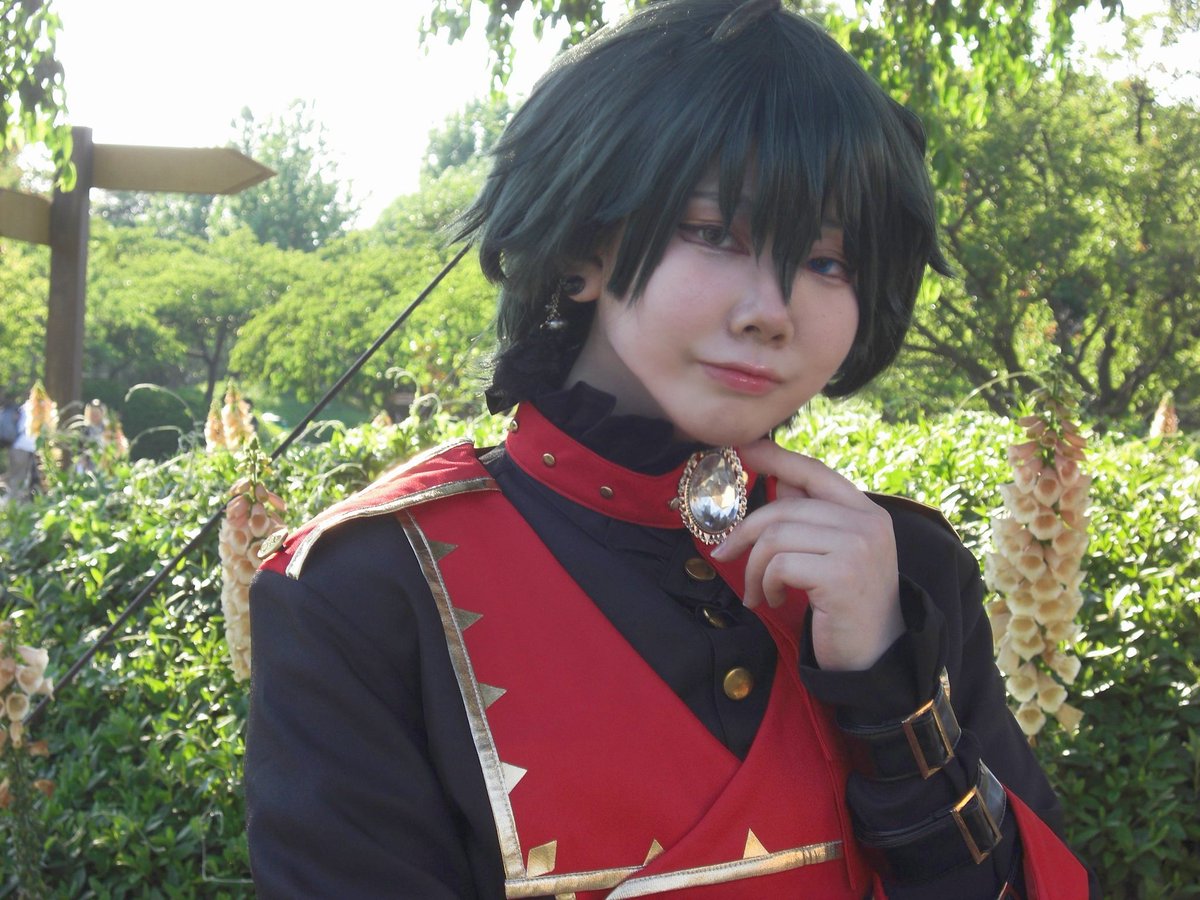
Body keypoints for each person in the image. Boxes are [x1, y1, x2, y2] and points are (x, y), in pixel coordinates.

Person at [245, 1, 1096, 896]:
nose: (772, 311)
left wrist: (890, 688)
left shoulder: (904, 569)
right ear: (582, 247)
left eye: (829, 262)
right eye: (715, 233)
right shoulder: (367, 589)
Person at [2, 395, 39, 504]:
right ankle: (11, 506)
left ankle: (16, 504)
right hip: (22, 448)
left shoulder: (23, 408)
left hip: (18, 447)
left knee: (19, 478)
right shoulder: (32, 409)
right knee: (18, 480)